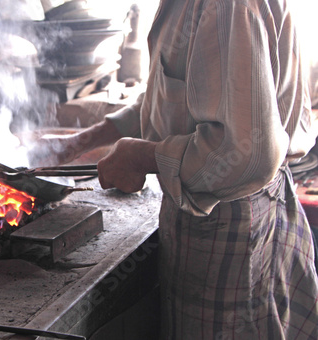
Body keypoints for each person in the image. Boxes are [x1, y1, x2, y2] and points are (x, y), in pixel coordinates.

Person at [32, 0, 318, 338]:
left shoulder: (224, 6)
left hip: (232, 227)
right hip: (209, 220)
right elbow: (173, 93)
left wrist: (140, 157)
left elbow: (245, 154)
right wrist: (84, 139)